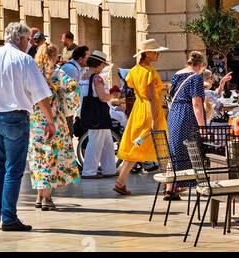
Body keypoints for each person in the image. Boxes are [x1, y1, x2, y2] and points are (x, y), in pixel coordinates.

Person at [0, 20, 57, 232]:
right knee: (13, 169)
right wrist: (50, 121)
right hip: (14, 117)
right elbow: (41, 94)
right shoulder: (24, 60)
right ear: (22, 39)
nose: (29, 44)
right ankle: (9, 216)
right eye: (27, 40)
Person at [28, 43, 80, 209]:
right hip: (54, 118)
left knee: (39, 158)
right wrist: (67, 102)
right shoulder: (57, 72)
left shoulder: (33, 72)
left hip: (36, 119)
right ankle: (47, 199)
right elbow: (73, 86)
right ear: (55, 55)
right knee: (51, 158)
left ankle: (39, 196)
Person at [115, 39, 168, 196]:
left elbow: (137, 88)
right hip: (150, 110)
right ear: (146, 53)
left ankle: (120, 181)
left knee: (137, 146)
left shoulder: (135, 70)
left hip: (139, 109)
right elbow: (151, 97)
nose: (157, 54)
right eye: (154, 52)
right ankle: (169, 186)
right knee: (162, 146)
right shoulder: (149, 72)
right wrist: (153, 119)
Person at [166, 51, 208, 186]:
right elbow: (196, 104)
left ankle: (170, 187)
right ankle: (184, 183)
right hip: (187, 115)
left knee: (175, 150)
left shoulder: (177, 75)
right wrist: (202, 127)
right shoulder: (196, 78)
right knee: (189, 150)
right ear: (201, 64)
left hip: (174, 113)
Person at [79, 51, 117, 179]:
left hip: (90, 112)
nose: (102, 68)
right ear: (98, 65)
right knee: (95, 144)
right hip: (98, 114)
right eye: (102, 65)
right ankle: (89, 171)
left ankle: (109, 169)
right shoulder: (97, 78)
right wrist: (113, 96)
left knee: (107, 143)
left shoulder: (84, 76)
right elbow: (102, 97)